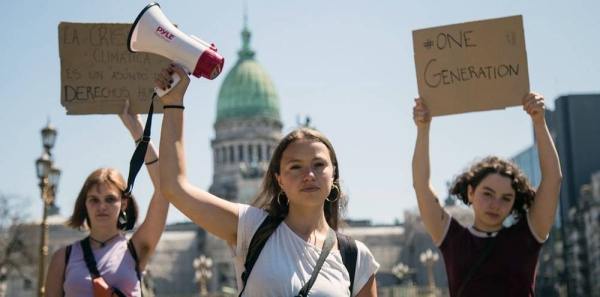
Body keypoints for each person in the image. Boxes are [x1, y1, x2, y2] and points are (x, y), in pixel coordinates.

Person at [156, 65, 379, 296]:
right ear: (279, 179)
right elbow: (174, 187)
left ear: (334, 175)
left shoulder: (356, 258)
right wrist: (173, 101)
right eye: (295, 166)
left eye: (319, 164)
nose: (309, 174)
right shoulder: (252, 229)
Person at [412, 92, 562, 296]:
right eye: (488, 194)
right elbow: (421, 184)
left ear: (514, 202)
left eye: (506, 198)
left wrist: (539, 121)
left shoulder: (527, 235)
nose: (495, 204)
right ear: (471, 192)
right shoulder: (452, 238)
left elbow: (553, 179)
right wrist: (423, 129)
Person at [45, 100, 169, 297]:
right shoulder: (63, 258)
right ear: (85, 204)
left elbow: (165, 188)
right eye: (94, 199)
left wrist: (138, 130)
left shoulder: (136, 248)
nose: (101, 206)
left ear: (124, 203)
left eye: (110, 199)